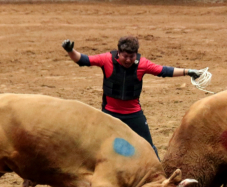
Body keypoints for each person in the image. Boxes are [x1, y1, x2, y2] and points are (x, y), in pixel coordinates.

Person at [62, 36, 207, 157]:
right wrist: (70, 50)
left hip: (133, 114)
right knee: (97, 148)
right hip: (110, 113)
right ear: (118, 53)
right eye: (125, 56)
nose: (128, 60)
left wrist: (188, 71)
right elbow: (83, 60)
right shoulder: (106, 59)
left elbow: (164, 71)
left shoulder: (142, 64)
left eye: (131, 57)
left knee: (149, 148)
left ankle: (160, 180)